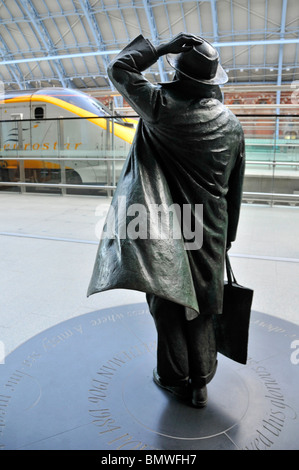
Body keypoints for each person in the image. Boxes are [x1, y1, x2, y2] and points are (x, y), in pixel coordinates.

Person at [88, 33, 245, 408]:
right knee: (204, 302)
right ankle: (201, 380)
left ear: (179, 75)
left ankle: (175, 377)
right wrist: (228, 237)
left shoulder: (159, 105)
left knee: (168, 298)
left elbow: (120, 68)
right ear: (211, 82)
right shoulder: (232, 124)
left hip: (162, 222)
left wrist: (160, 48)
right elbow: (234, 188)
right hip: (210, 227)